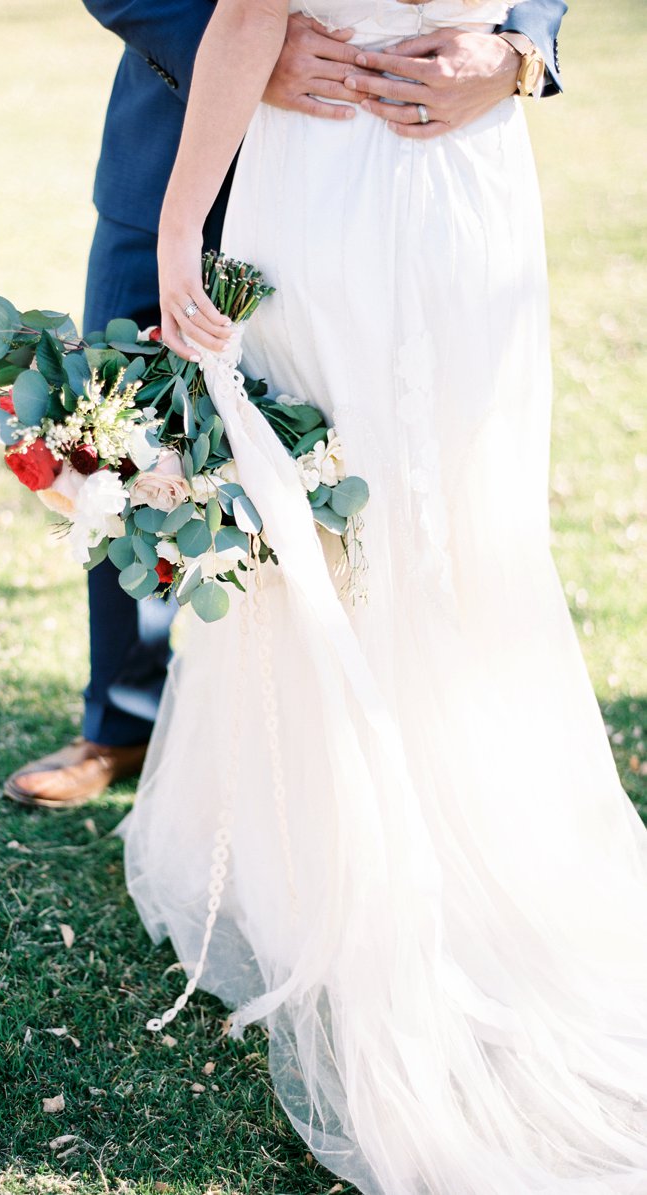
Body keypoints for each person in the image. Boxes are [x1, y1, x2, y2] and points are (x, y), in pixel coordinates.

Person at [118, 0, 647, 1190]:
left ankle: (335, 856)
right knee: (450, 516)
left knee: (338, 523)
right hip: (466, 186)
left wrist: (177, 226)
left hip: (336, 173)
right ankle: (447, 820)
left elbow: (251, 10)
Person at [3, 0, 568, 809]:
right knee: (129, 428)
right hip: (177, 136)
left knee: (386, 451)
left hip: (396, 159)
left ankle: (389, 740)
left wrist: (522, 47)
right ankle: (125, 714)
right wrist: (240, 46)